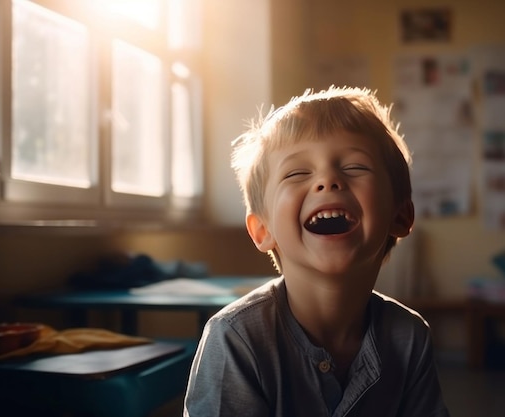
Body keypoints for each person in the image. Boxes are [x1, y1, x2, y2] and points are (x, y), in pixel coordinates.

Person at [184, 86, 450, 417]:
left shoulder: (409, 337)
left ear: (400, 215)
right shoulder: (237, 339)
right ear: (262, 230)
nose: (328, 180)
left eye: (355, 167)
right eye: (297, 173)